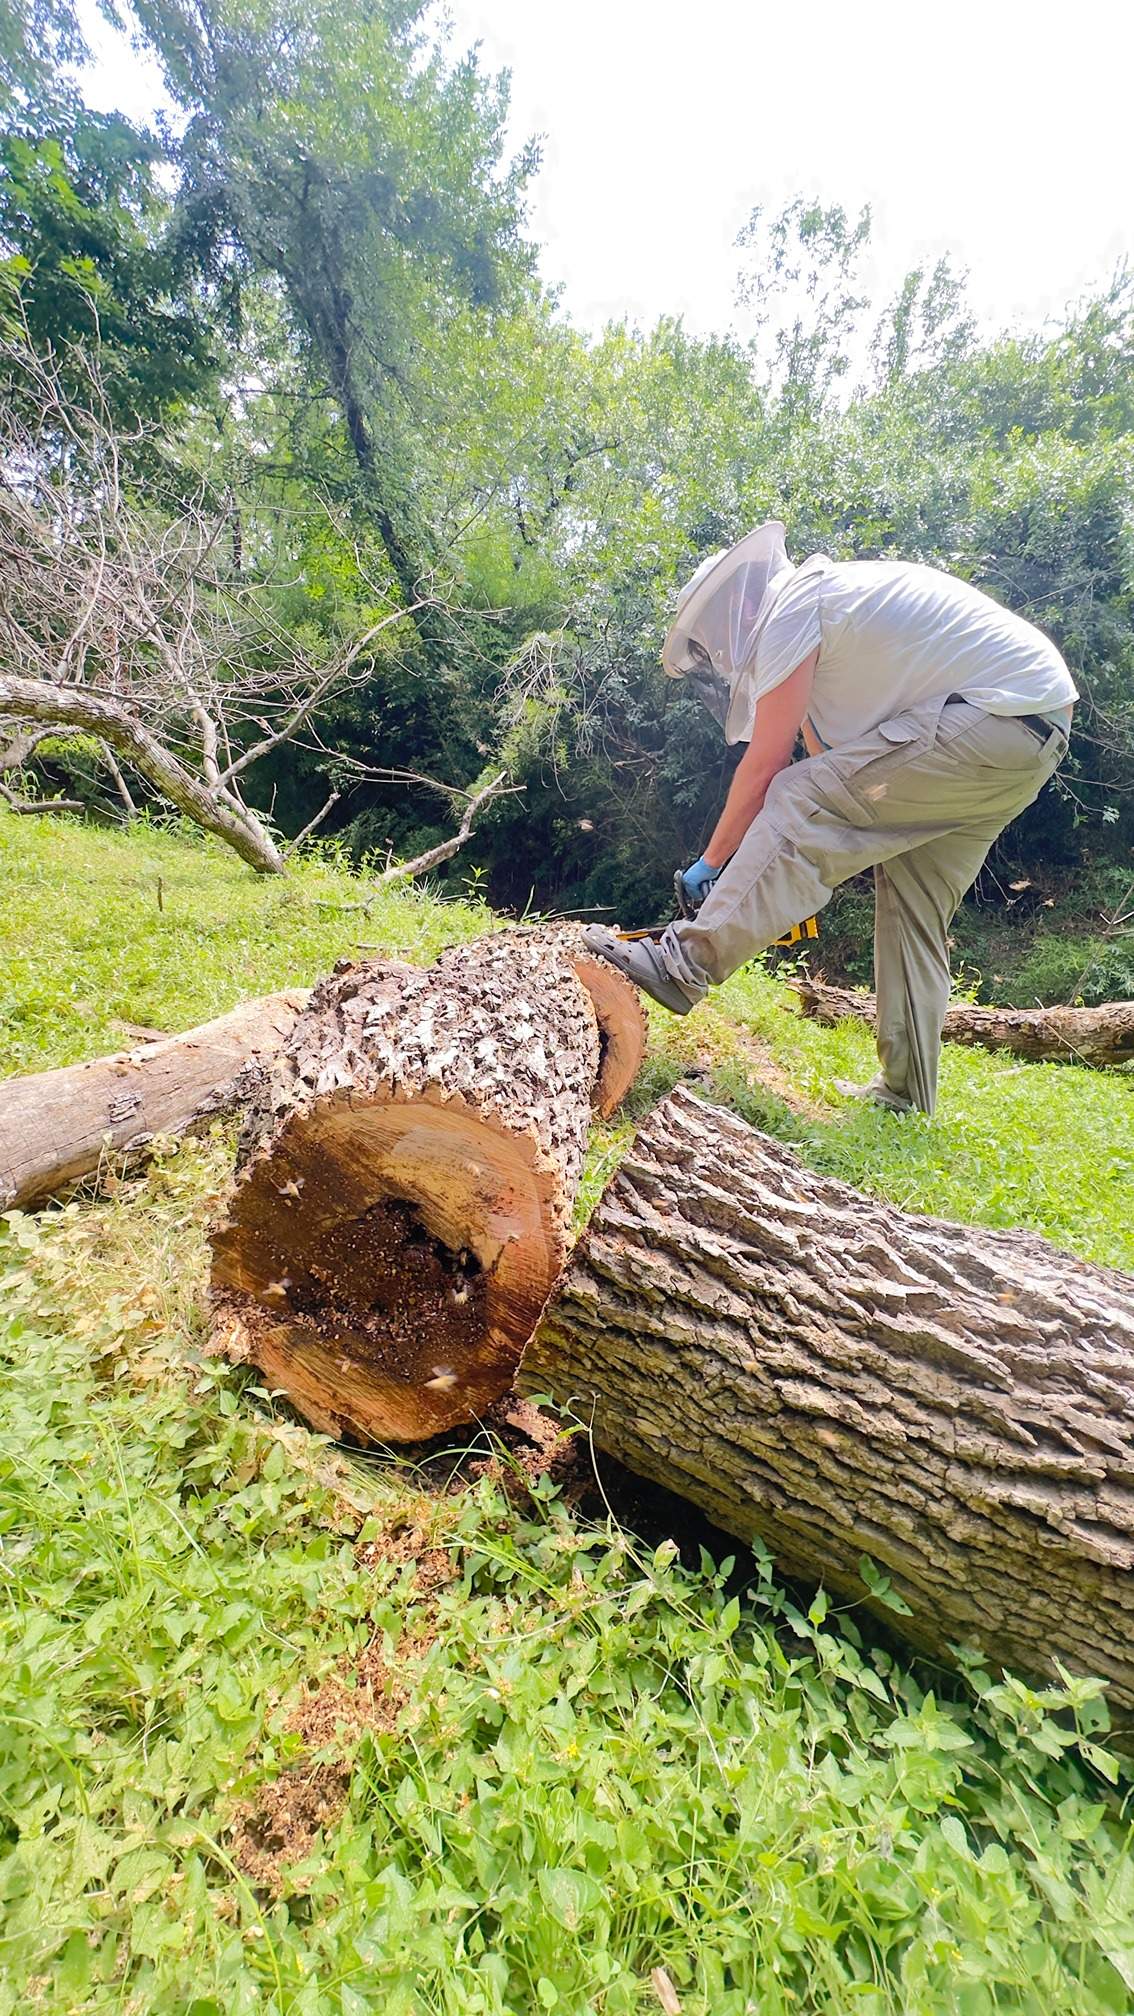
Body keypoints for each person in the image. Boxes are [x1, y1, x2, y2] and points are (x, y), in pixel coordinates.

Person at [584, 522, 1076, 1116]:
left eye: (712, 634)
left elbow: (773, 772)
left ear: (737, 606)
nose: (715, 650)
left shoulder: (795, 605)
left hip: (992, 718)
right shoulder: (831, 615)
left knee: (797, 796)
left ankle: (681, 965)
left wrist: (713, 862)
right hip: (1030, 735)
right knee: (912, 906)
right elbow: (837, 776)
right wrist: (786, 877)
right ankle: (906, 1095)